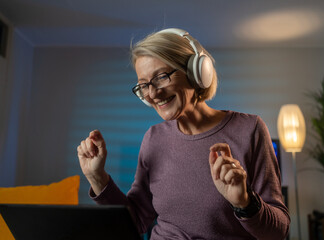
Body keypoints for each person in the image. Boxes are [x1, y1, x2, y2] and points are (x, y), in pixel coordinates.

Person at [77, 28, 290, 240]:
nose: (152, 93)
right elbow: (135, 221)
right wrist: (97, 177)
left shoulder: (249, 130)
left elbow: (278, 232)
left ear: (196, 71)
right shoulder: (153, 138)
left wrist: (245, 203)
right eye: (143, 85)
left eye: (161, 77)